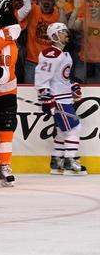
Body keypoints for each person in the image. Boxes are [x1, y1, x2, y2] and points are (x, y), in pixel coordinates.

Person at [34, 23, 87, 176]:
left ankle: (57, 162)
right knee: (74, 128)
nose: (66, 34)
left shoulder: (64, 54)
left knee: (62, 131)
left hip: (63, 98)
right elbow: (42, 79)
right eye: (63, 32)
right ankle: (70, 162)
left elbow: (61, 79)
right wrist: (46, 98)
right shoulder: (51, 53)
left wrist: (72, 86)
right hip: (58, 100)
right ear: (55, 36)